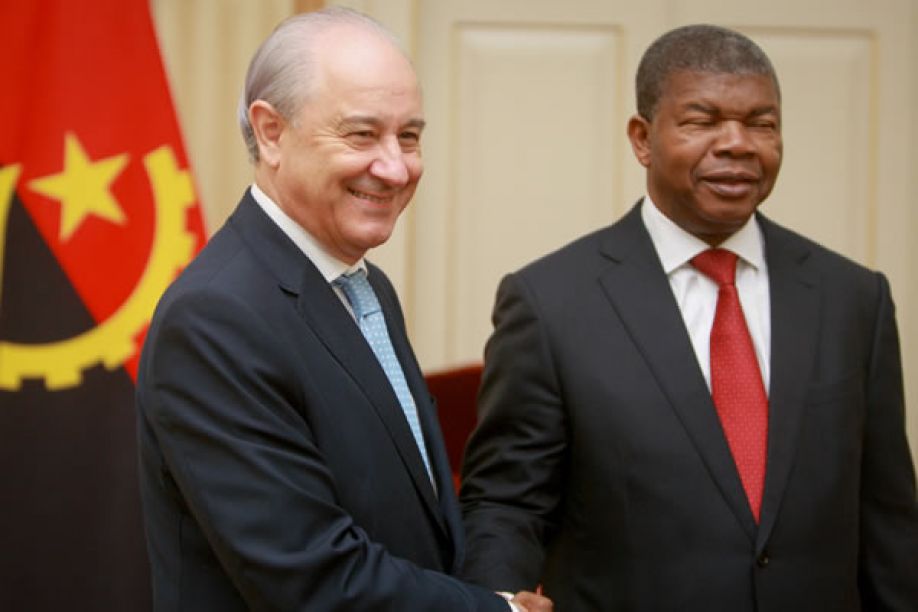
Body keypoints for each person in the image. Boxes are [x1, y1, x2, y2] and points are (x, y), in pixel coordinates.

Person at [459, 23, 918, 611]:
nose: (738, 144)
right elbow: (507, 502)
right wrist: (497, 601)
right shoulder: (551, 303)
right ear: (643, 138)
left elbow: (887, 517)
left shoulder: (854, 299)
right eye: (703, 121)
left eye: (761, 124)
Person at [136, 8, 552, 611]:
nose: (396, 167)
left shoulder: (364, 285)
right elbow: (310, 576)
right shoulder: (214, 319)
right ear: (271, 132)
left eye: (409, 136)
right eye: (361, 135)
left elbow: (415, 514)